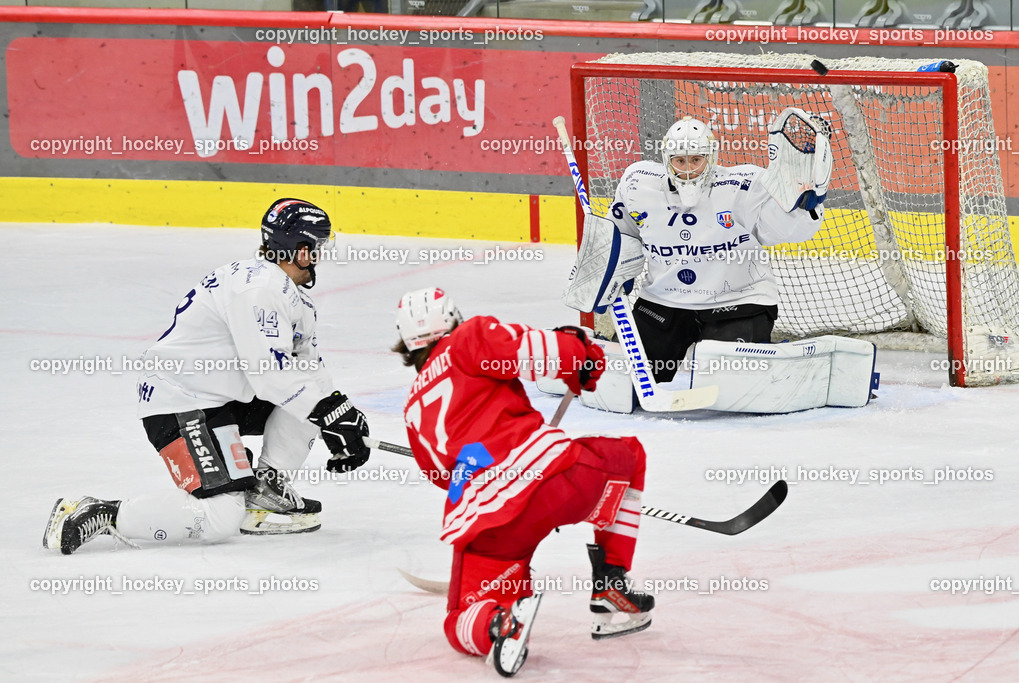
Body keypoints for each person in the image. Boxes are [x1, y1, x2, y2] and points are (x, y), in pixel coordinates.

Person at [44, 198, 372, 555]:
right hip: (179, 402)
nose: (321, 256)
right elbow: (268, 374)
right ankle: (102, 512)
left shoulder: (289, 297)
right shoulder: (258, 289)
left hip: (222, 400)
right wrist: (325, 413)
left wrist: (342, 418)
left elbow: (310, 375)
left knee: (316, 390)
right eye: (318, 246)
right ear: (301, 249)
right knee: (220, 518)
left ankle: (267, 485)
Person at [393, 287, 654, 677]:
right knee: (629, 455)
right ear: (452, 318)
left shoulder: (413, 406)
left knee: (459, 618)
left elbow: (441, 476)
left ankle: (497, 624)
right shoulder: (467, 338)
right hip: (555, 479)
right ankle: (611, 581)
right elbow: (540, 352)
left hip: (487, 524)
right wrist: (580, 352)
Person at [565, 111, 833, 383]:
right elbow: (621, 232)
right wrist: (608, 271)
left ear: (711, 157)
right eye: (680, 161)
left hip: (737, 302)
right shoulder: (638, 184)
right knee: (624, 381)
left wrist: (803, 207)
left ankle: (769, 359)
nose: (688, 168)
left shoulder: (743, 186)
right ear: (667, 159)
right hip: (664, 300)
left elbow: (784, 231)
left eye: (696, 159)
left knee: (729, 384)